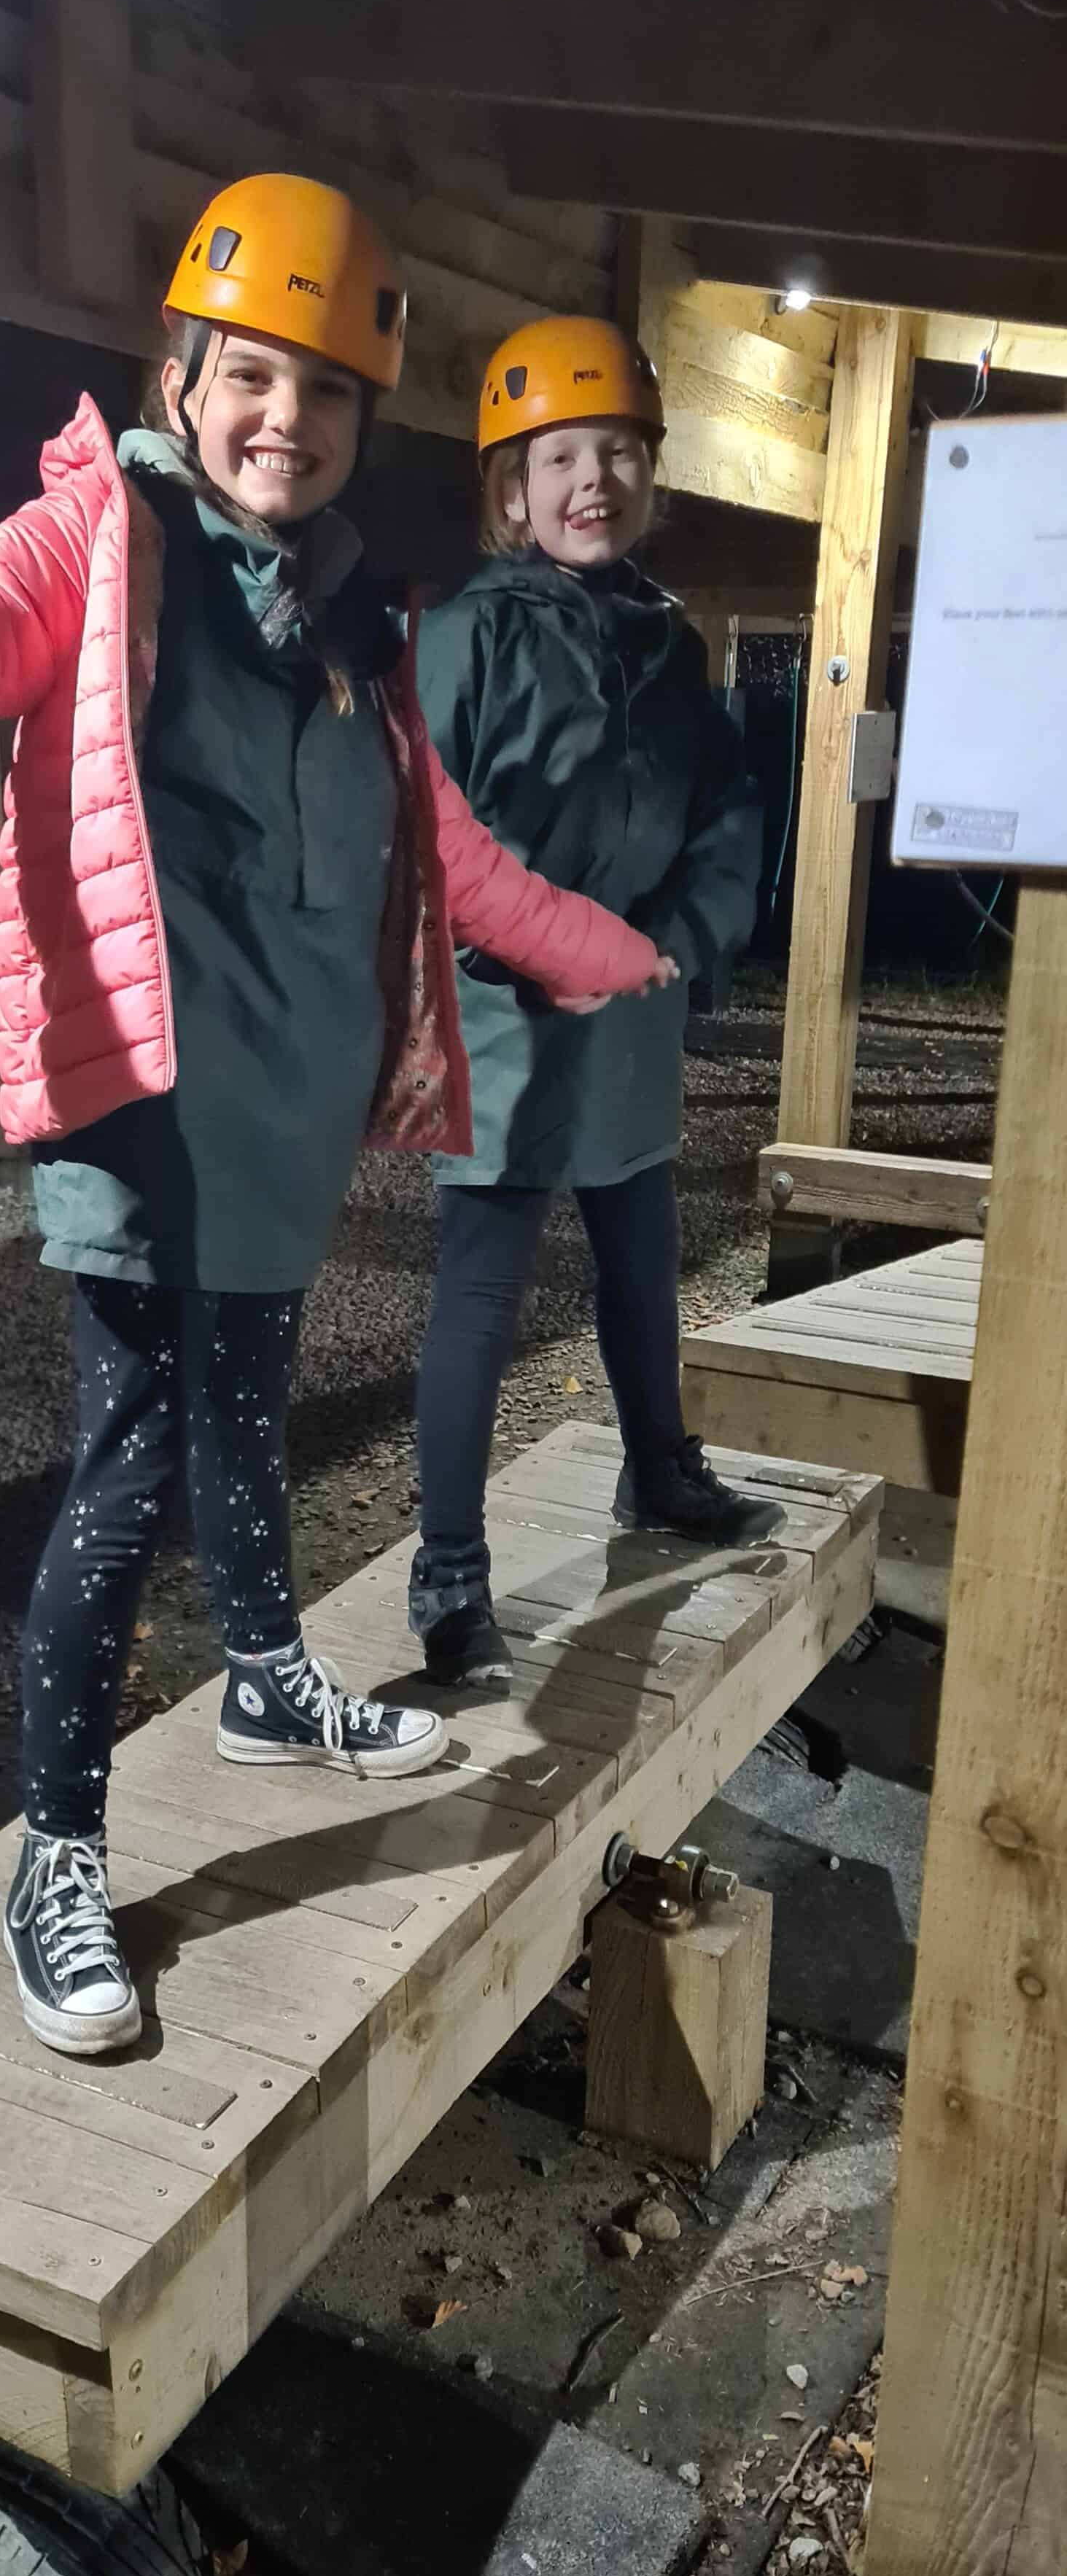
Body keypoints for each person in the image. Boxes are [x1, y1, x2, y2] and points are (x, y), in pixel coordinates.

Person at [0, 178, 669, 2058]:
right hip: (148, 1118)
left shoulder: (357, 624)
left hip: (280, 1129)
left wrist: (610, 956)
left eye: (325, 391)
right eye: (251, 374)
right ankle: (58, 1856)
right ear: (181, 371)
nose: (285, 420)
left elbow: (456, 859)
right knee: (128, 1475)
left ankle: (262, 1679)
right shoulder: (101, 542)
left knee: (246, 1411)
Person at [410, 314, 778, 1689]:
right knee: (480, 1289)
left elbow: (728, 806)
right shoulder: (467, 637)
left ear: (650, 475)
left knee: (641, 1254)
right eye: (561, 456)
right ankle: (451, 1574)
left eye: (619, 452)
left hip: (630, 1004)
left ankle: (658, 1469)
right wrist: (520, 944)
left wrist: (683, 934)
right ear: (512, 489)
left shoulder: (669, 648)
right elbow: (422, 822)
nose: (593, 481)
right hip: (507, 1011)